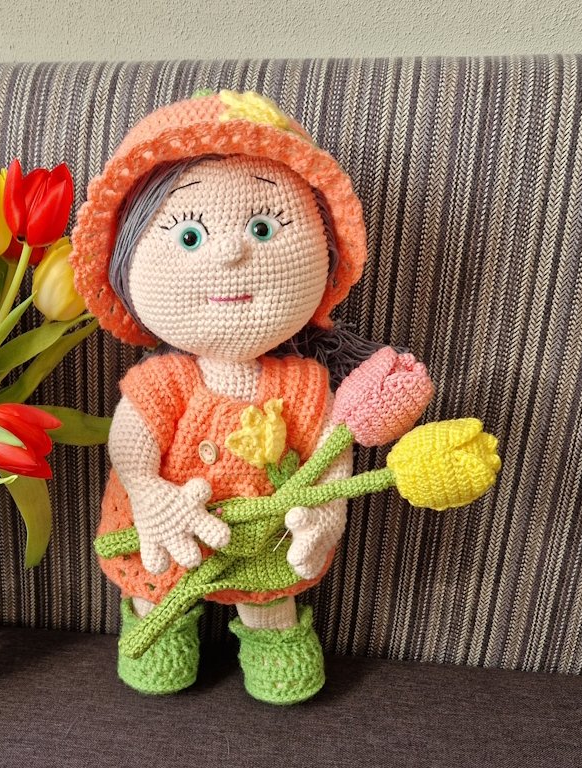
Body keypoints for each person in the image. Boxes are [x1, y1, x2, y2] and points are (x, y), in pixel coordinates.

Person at [69, 90, 432, 704]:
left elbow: (332, 451)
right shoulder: (165, 380)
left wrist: (327, 510)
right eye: (189, 236)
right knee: (154, 586)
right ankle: (159, 634)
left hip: (267, 542)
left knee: (270, 603)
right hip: (163, 534)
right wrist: (149, 493)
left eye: (263, 228)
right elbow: (131, 444)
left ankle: (274, 645)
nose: (232, 252)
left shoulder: (305, 383)